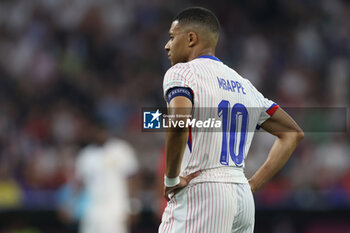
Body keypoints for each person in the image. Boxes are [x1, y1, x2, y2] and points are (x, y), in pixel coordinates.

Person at [159, 7, 304, 233]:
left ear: (190, 38)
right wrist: (253, 184)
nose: (167, 45)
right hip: (242, 196)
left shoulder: (182, 73)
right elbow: (293, 133)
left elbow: (178, 123)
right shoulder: (245, 86)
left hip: (202, 191)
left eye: (171, 36)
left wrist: (170, 179)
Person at [75, 124, 138, 233]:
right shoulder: (86, 155)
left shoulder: (121, 150)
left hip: (117, 209)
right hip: (92, 211)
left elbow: (132, 179)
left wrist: (134, 205)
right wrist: (69, 204)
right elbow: (79, 184)